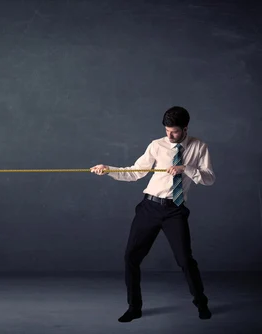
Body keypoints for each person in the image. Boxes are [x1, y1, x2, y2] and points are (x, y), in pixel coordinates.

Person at [90, 106, 215, 322]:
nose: (170, 135)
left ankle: (201, 303)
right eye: (167, 131)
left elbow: (209, 178)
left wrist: (186, 168)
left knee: (185, 260)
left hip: (175, 210)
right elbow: (136, 172)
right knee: (131, 257)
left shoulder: (199, 147)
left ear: (185, 128)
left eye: (174, 131)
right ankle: (134, 308)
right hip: (150, 207)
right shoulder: (157, 145)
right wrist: (108, 169)